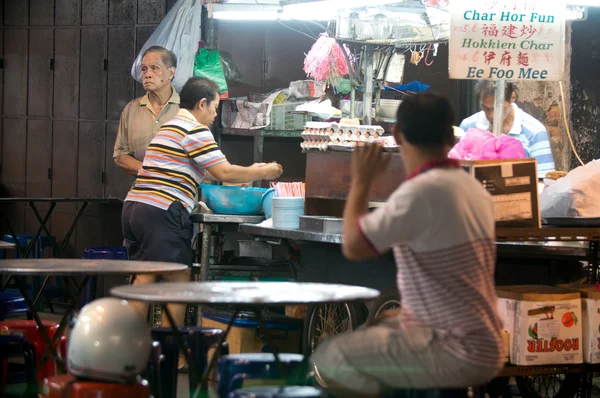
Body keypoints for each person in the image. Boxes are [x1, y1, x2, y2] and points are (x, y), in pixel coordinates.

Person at [310, 92, 504, 397]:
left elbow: (353, 246)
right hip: (486, 344)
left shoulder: (420, 192)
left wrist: (361, 181)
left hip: (449, 349)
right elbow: (450, 277)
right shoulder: (474, 189)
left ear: (397, 134)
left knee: (332, 358)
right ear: (451, 139)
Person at [121, 76, 283, 353]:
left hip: (135, 208)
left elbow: (209, 170)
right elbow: (224, 171)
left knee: (144, 277)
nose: (215, 114)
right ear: (201, 103)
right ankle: (174, 356)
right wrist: (265, 171)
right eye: (215, 107)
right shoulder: (194, 129)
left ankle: (128, 352)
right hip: (162, 210)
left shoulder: (170, 126)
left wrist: (237, 176)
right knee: (178, 282)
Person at [459, 80, 555, 179]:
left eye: (499, 108)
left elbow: (544, 180)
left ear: (512, 97)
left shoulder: (535, 132)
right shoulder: (468, 127)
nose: (492, 116)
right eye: (486, 108)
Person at [113, 46, 181, 177]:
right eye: (144, 69)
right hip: (142, 194)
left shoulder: (187, 109)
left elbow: (202, 159)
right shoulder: (131, 109)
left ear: (171, 73)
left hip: (179, 194)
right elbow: (120, 156)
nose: (147, 74)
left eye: (155, 68)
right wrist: (152, 173)